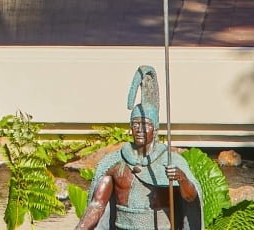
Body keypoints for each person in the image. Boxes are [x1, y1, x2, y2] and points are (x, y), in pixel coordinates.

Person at [75, 65, 203, 230]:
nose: (140, 129)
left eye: (146, 125)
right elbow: (97, 205)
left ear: (155, 129)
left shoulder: (170, 161)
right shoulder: (115, 162)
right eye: (135, 124)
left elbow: (190, 198)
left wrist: (182, 179)